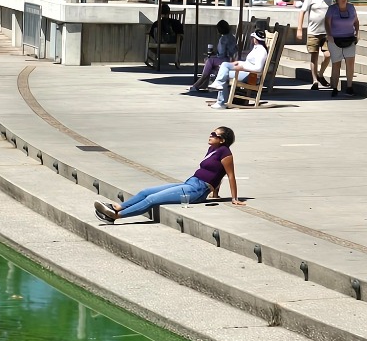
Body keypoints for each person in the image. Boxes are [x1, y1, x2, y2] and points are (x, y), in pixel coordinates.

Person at [95, 126, 240, 221]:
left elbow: (230, 175)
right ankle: (118, 207)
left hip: (197, 190)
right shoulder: (213, 149)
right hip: (191, 183)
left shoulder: (225, 153)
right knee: (145, 192)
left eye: (214, 134)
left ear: (222, 140)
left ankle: (116, 216)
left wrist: (234, 198)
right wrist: (215, 194)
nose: (210, 135)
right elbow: (216, 173)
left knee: (152, 199)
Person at [212, 24, 273, 108]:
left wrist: (242, 67)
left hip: (252, 77)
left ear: (255, 39)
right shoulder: (256, 48)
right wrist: (239, 63)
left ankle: (221, 101)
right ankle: (219, 88)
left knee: (224, 73)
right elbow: (249, 63)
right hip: (247, 73)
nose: (252, 39)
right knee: (224, 65)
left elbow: (258, 68)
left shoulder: (261, 51)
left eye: (253, 38)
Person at [325, 0, 361, 93]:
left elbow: (356, 21)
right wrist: (329, 35)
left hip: (349, 37)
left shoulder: (351, 8)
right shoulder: (332, 9)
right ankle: (335, 87)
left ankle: (349, 86)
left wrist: (357, 32)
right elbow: (327, 22)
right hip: (335, 39)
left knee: (350, 62)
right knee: (336, 63)